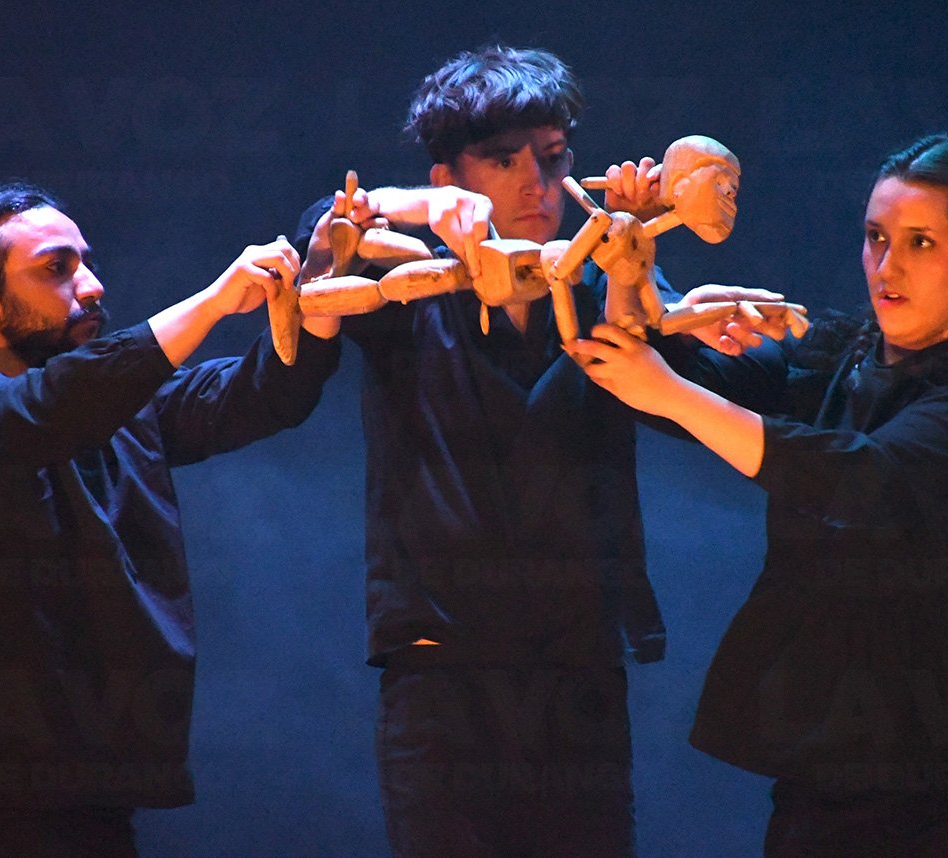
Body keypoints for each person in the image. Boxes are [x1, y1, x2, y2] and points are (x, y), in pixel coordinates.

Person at [292, 46, 779, 857]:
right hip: (443, 675)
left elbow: (720, 391)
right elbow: (320, 230)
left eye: (552, 160)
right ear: (450, 176)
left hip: (577, 670)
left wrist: (644, 246)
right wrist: (421, 207)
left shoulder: (600, 279)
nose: (536, 186)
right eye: (504, 161)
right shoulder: (410, 286)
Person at [568, 134, 948, 856]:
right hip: (845, 759)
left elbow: (859, 480)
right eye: (876, 237)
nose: (887, 267)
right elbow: (663, 381)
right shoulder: (841, 354)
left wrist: (670, 391)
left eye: (921, 243)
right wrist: (629, 254)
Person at [0, 181, 340, 856]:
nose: (92, 284)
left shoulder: (120, 406)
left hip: (98, 798)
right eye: (57, 268)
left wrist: (318, 290)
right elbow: (45, 410)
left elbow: (260, 393)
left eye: (86, 262)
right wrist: (213, 301)